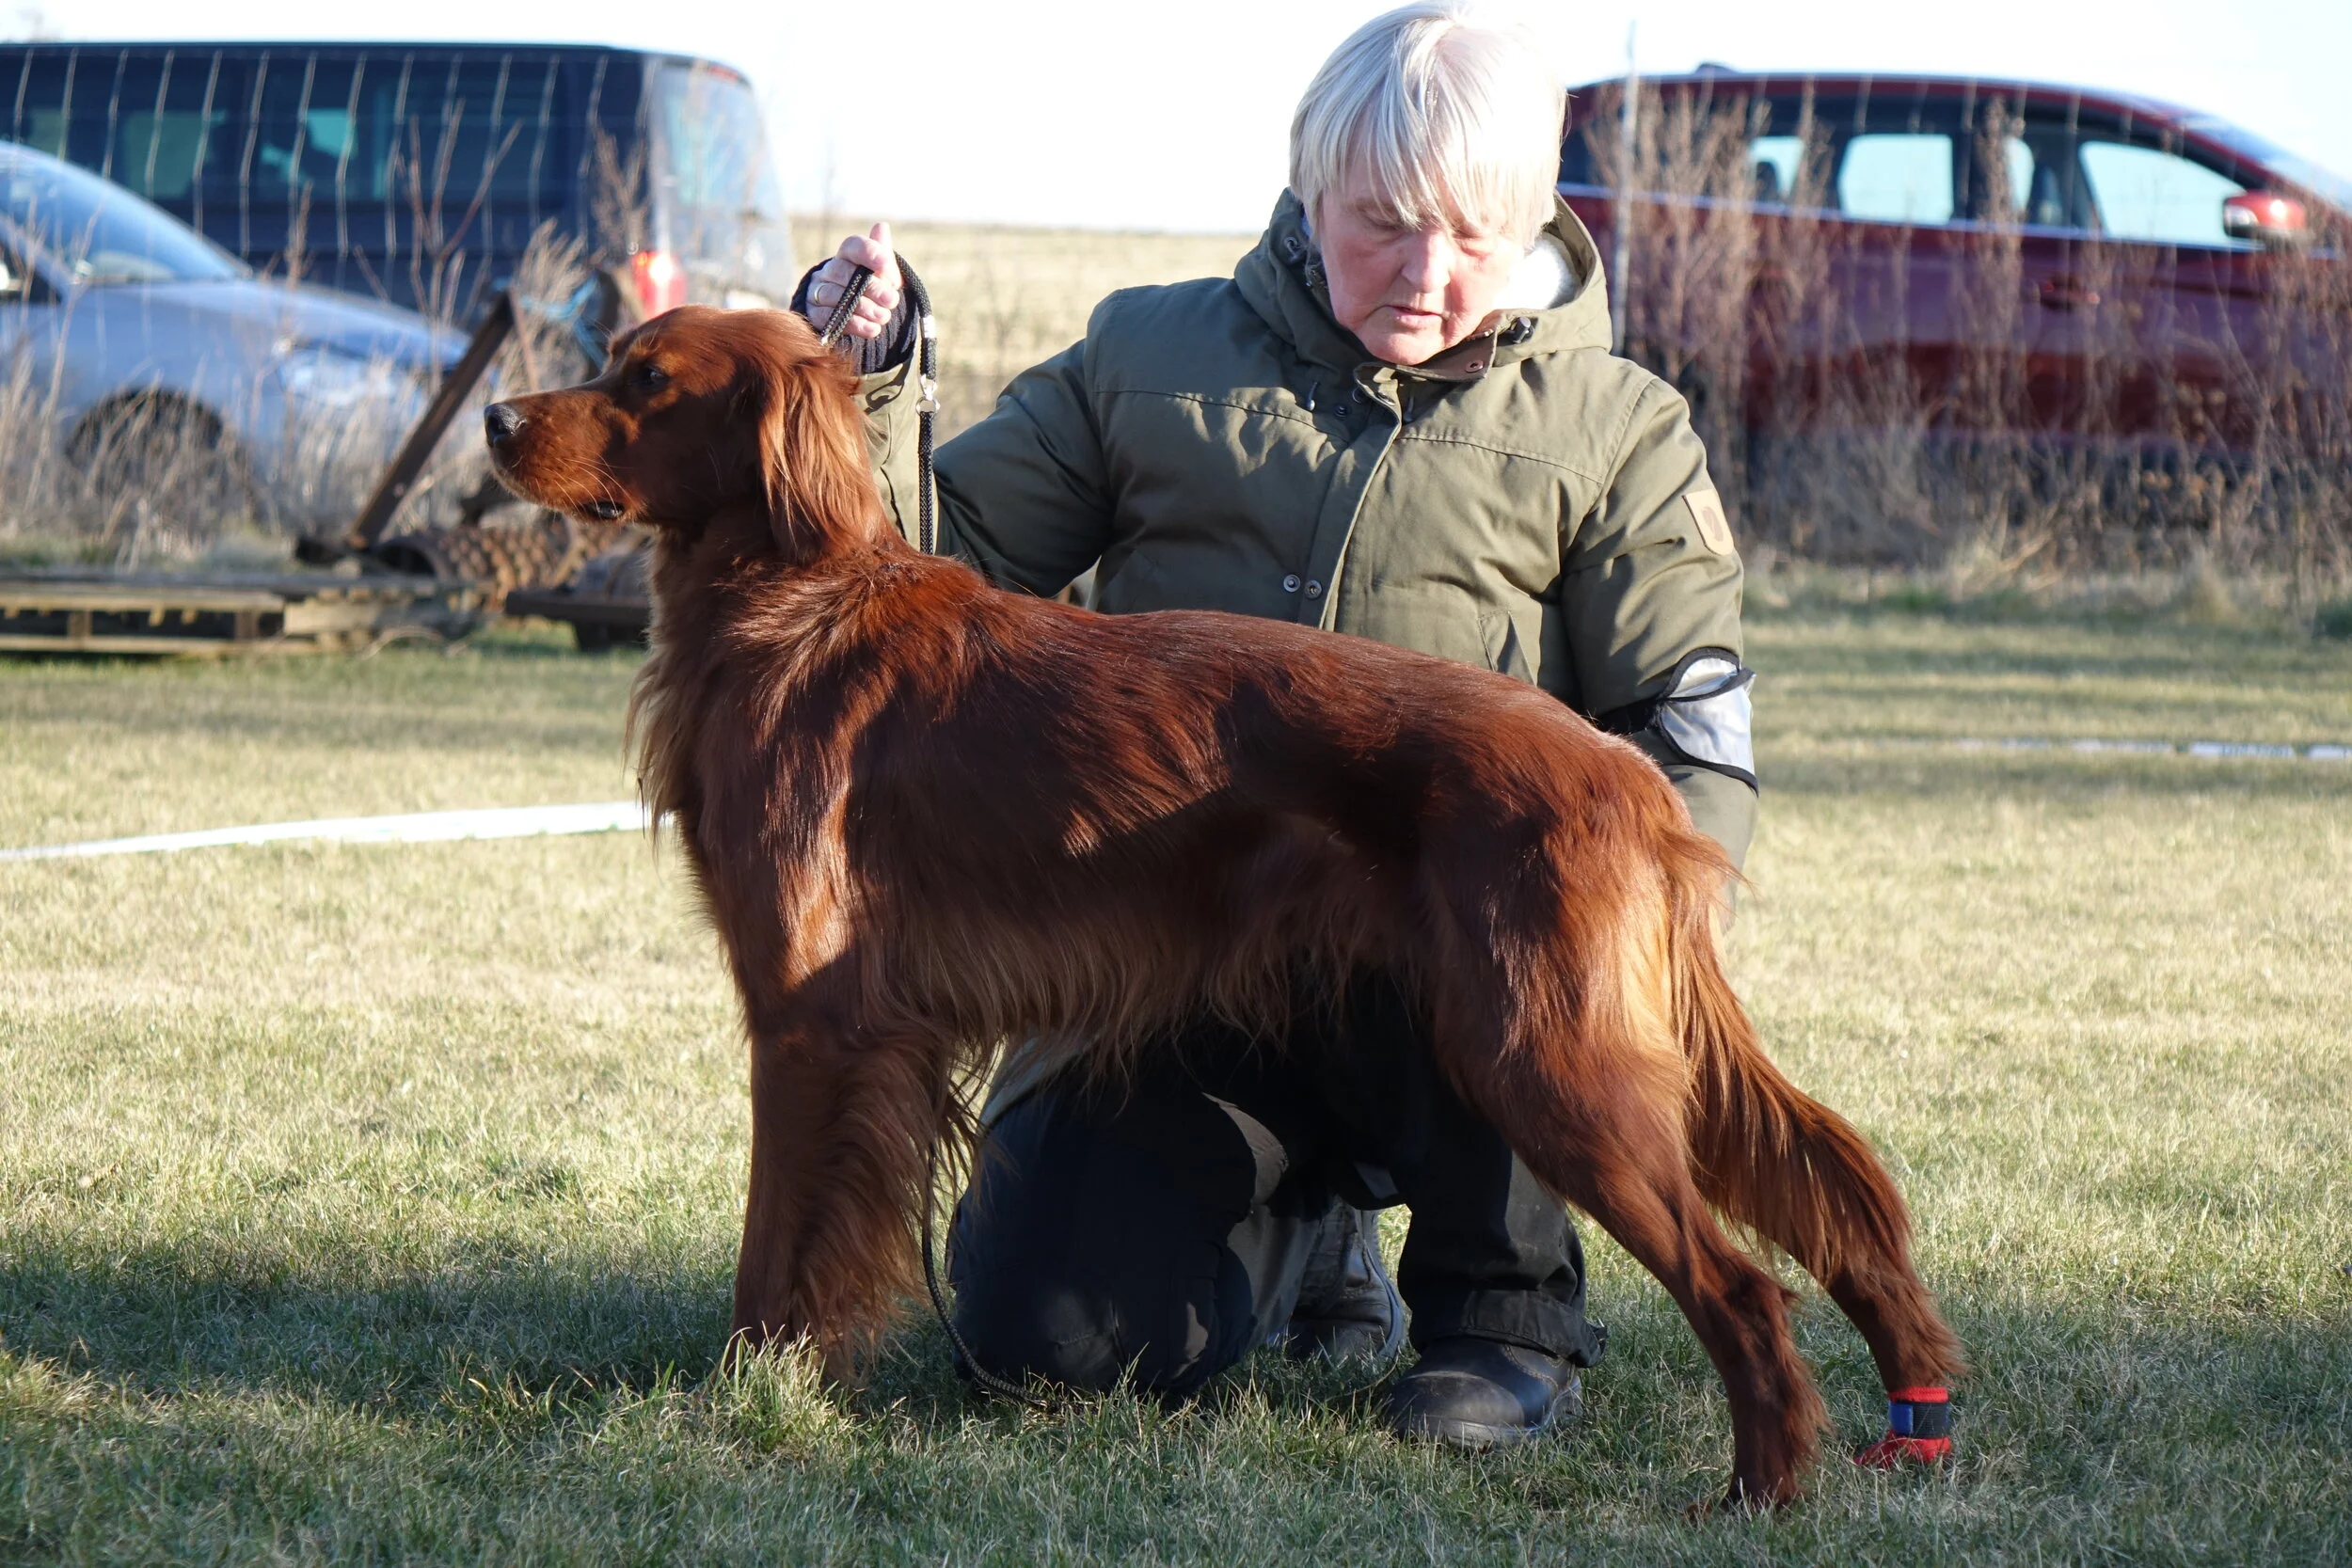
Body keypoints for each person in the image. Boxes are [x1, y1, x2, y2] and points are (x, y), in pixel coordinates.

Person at [793, 2, 1756, 1449]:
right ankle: (1305, 1246)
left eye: (1472, 234)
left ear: (1538, 215)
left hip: (1459, 958)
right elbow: (925, 565)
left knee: (1503, 978)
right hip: (1170, 971)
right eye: (1380, 225)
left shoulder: (1620, 426)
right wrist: (868, 382)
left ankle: (1504, 1311)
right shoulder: (1144, 354)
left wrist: (1621, 946)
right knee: (1040, 1345)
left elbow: (1693, 737)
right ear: (1309, 191)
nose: (1425, 277)